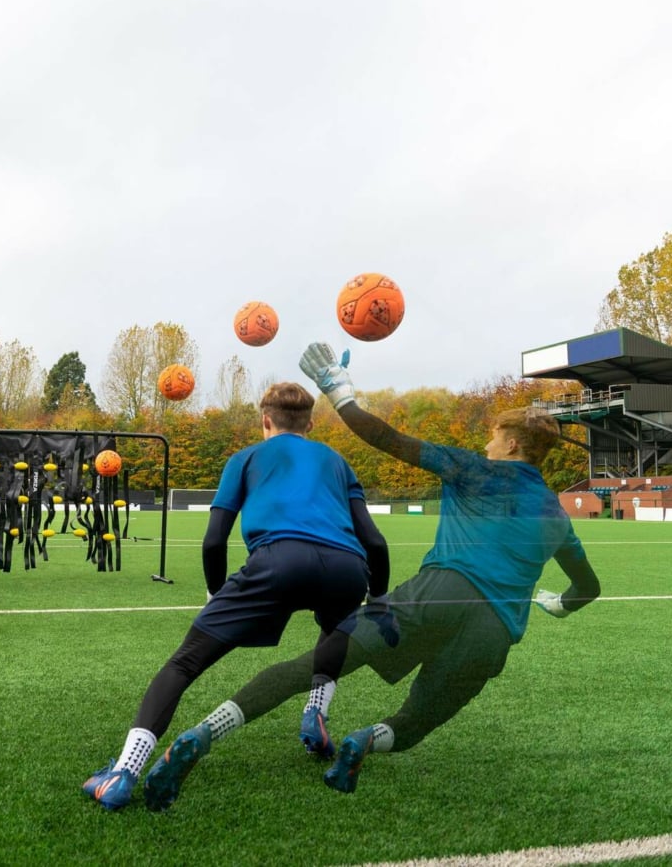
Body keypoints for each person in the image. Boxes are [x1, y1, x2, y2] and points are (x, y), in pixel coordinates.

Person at [140, 342, 600, 808]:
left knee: (310, 667)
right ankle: (364, 740)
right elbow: (589, 587)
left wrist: (339, 391)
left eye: (494, 438)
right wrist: (559, 604)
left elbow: (385, 437)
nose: (486, 445)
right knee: (418, 719)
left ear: (513, 445)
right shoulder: (556, 515)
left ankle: (204, 732)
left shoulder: (472, 469)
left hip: (436, 594)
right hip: (494, 631)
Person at [82, 380, 390, 810]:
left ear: (265, 421)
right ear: (310, 424)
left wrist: (215, 593)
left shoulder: (245, 458)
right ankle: (316, 713)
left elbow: (214, 541)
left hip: (278, 563)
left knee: (185, 663)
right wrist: (378, 599)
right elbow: (374, 541)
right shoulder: (337, 461)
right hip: (348, 569)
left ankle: (123, 772)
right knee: (336, 626)